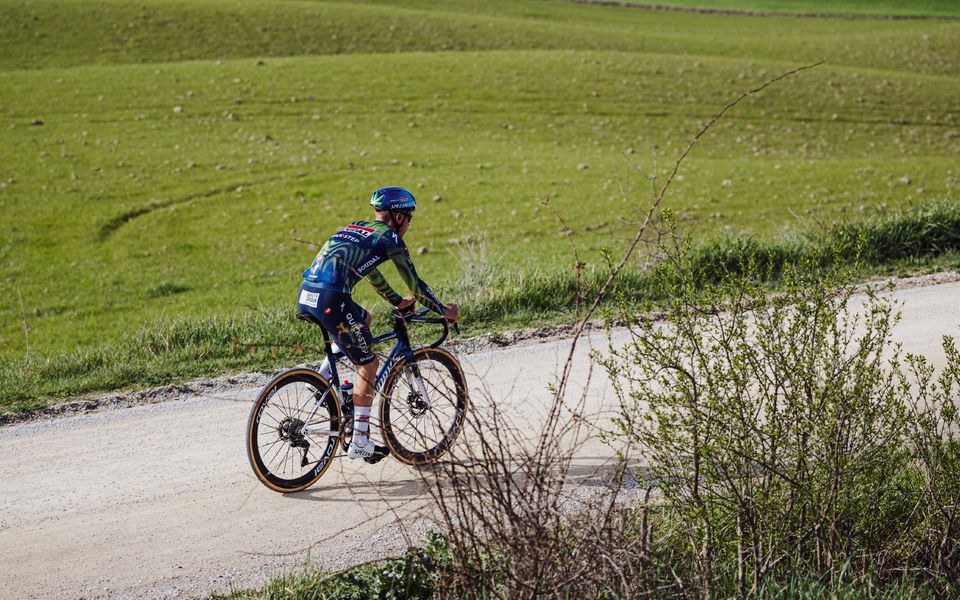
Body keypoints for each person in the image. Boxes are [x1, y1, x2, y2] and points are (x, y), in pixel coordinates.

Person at [296, 186, 459, 460]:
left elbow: (369, 273)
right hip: (332, 298)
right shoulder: (391, 239)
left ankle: (323, 381)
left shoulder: (358, 227)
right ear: (398, 216)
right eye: (409, 217)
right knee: (368, 364)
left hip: (306, 293)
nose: (409, 224)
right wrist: (443, 310)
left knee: (364, 321)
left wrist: (396, 300)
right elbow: (417, 287)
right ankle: (359, 440)